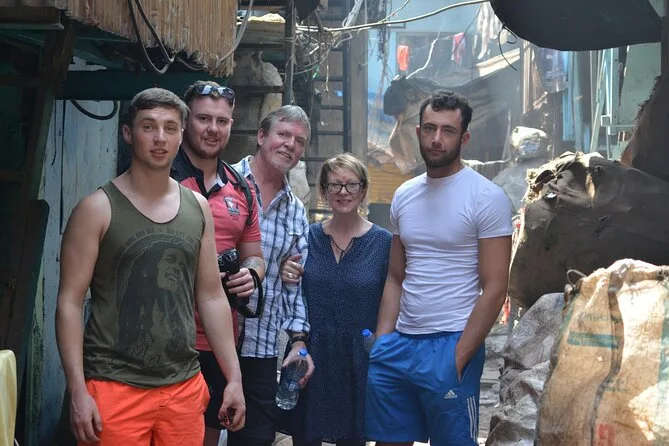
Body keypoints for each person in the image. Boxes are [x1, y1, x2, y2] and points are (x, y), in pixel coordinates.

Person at [55, 88, 245, 446]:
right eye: (148, 126)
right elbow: (69, 302)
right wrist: (78, 390)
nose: (160, 138)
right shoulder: (96, 209)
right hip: (113, 386)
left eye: (170, 128)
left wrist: (233, 378)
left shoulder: (197, 207)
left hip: (183, 387)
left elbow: (211, 296)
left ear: (181, 135)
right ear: (128, 133)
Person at [365, 90, 513, 446]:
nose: (436, 139)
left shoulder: (486, 197)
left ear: (464, 138)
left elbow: (495, 287)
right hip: (400, 345)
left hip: (451, 340)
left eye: (448, 130)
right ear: (418, 132)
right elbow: (396, 276)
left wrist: (459, 356)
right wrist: (383, 342)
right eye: (430, 128)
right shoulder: (404, 195)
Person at [171, 80, 265, 446]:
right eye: (203, 119)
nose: (213, 129)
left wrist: (252, 274)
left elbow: (254, 254)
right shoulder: (162, 177)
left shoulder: (242, 188)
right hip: (165, 335)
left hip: (218, 339)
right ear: (186, 121)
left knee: (208, 434)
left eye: (222, 121)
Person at [279, 153, 392, 446]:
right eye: (335, 185)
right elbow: (290, 291)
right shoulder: (306, 237)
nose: (343, 192)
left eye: (351, 184)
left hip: (358, 358)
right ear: (323, 191)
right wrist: (284, 270)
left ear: (363, 190)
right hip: (311, 353)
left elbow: (392, 301)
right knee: (305, 438)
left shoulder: (384, 243)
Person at [229, 105, 315, 446]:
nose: (290, 144)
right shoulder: (223, 184)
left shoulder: (296, 210)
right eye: (283, 134)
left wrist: (298, 341)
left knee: (256, 438)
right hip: (210, 340)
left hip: (261, 348)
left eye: (299, 141)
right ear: (261, 136)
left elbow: (295, 286)